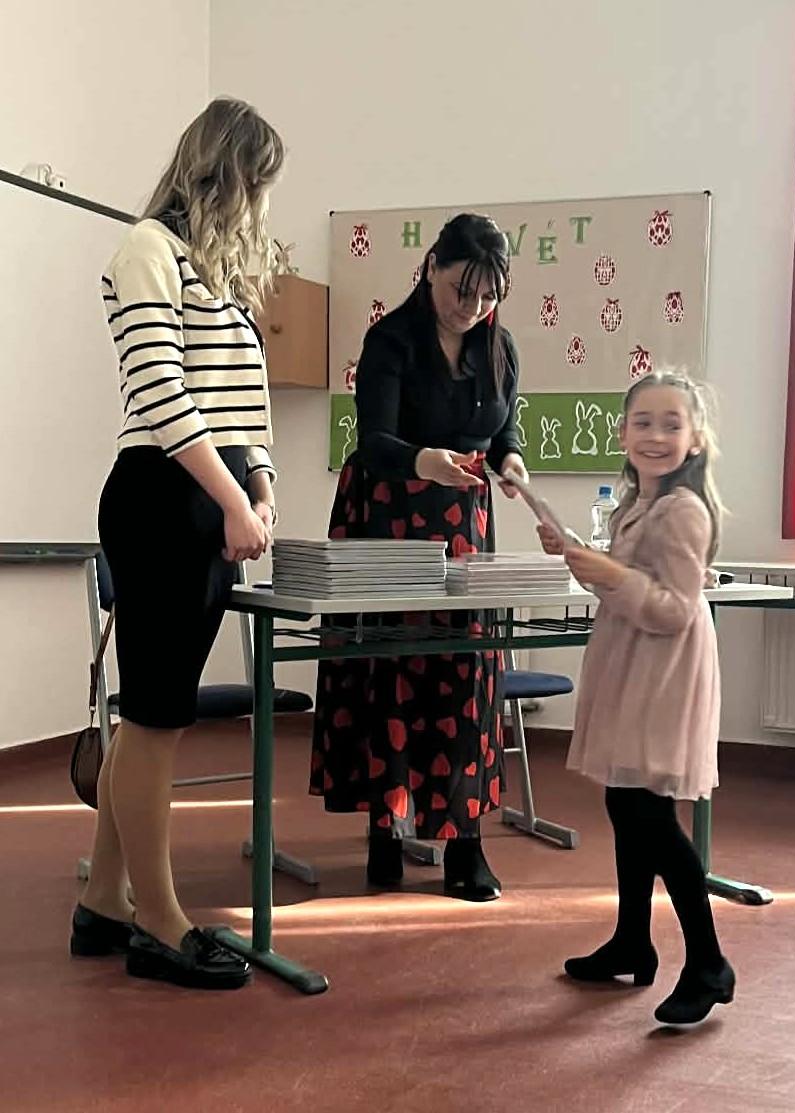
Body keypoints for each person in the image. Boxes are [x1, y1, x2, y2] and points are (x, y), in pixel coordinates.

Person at [70, 98, 285, 990]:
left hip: (208, 501)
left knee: (152, 715)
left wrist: (260, 488)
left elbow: (246, 406)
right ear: (222, 172)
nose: (261, 203)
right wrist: (232, 498)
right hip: (161, 498)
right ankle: (159, 921)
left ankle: (104, 900)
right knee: (158, 720)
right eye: (256, 182)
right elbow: (161, 392)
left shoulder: (219, 276)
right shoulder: (147, 250)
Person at [310, 213, 528, 901]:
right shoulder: (391, 339)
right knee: (390, 672)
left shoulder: (499, 345)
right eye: (462, 289)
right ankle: (386, 826)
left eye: (488, 295)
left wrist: (511, 460)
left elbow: (504, 429)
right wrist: (424, 461)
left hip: (463, 523)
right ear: (431, 265)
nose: (473, 306)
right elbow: (373, 440)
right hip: (389, 517)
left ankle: (466, 841)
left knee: (469, 673)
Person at [538, 370, 734, 1025]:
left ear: (695, 438)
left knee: (649, 814)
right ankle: (631, 939)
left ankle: (708, 962)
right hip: (635, 663)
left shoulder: (682, 509)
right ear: (621, 433)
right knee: (625, 802)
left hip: (664, 671)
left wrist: (609, 572)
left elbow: (674, 607)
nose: (654, 435)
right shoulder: (636, 505)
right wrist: (580, 555)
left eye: (671, 424)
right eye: (642, 422)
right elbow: (626, 583)